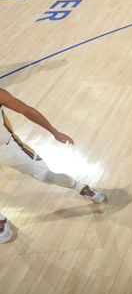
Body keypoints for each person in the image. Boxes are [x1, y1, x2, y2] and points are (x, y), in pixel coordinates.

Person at [0, 89, 106, 243]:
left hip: (7, 148)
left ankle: (79, 187)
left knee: (46, 176)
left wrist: (54, 132)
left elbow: (27, 111)